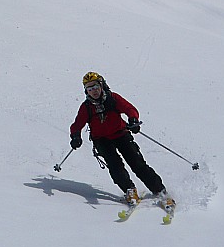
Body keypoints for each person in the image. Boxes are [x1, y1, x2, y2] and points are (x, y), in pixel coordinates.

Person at [69, 71, 175, 207]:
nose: (93, 91)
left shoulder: (113, 98)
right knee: (115, 167)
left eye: (95, 87)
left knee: (137, 164)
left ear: (101, 86)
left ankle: (160, 191)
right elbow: (77, 124)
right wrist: (75, 136)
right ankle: (129, 190)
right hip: (102, 140)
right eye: (89, 89)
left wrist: (133, 120)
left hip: (121, 134)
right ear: (86, 91)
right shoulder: (86, 107)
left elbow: (129, 109)